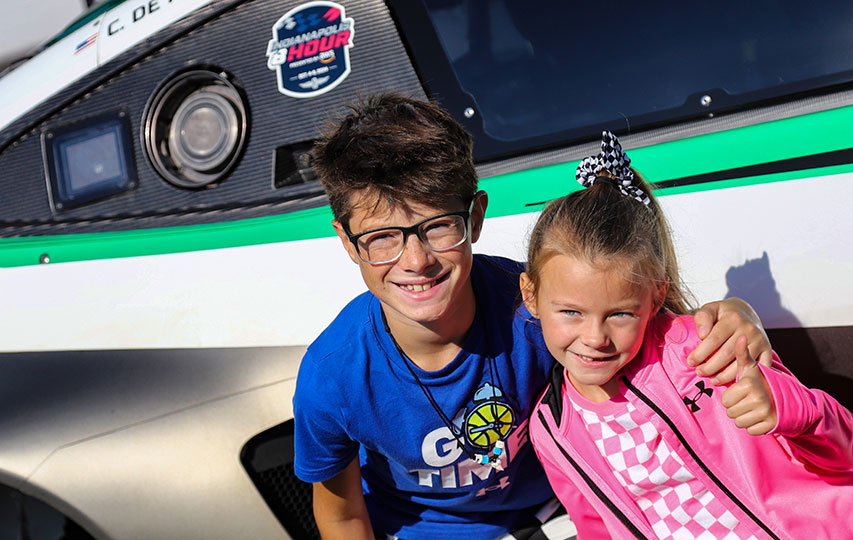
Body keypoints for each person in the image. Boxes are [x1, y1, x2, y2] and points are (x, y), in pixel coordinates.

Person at [293, 94, 773, 540]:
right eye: (381, 238)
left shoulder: (542, 303)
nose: (416, 260)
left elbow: (652, 332)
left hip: (565, 505)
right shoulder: (332, 375)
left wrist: (734, 314)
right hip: (429, 529)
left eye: (438, 226)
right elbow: (340, 513)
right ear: (345, 240)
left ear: (476, 216)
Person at [523, 131, 853, 539]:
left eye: (620, 314)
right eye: (571, 312)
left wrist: (787, 407)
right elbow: (598, 530)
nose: (595, 337)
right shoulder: (550, 428)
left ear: (656, 296)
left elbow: (844, 446)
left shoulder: (703, 347)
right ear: (531, 296)